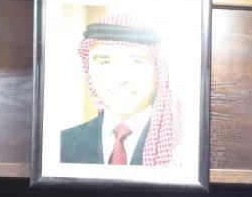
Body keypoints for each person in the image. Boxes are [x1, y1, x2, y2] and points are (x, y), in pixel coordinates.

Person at [59, 15, 179, 166]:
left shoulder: (181, 146)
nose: (120, 79)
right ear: (88, 71)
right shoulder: (62, 145)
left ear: (157, 72)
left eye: (136, 61)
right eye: (105, 62)